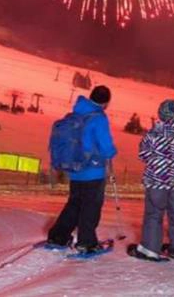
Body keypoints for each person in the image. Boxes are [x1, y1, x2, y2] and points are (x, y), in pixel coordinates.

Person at [47, 85, 117, 253]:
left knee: (74, 204)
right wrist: (111, 152)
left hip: (75, 169)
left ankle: (58, 236)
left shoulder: (76, 113)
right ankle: (87, 242)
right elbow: (105, 146)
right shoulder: (99, 118)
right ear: (106, 102)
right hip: (92, 169)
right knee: (91, 206)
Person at [130, 99, 174, 262]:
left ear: (161, 113)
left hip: (156, 180)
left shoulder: (154, 133)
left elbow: (143, 154)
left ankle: (150, 249)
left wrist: (158, 159)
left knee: (154, 213)